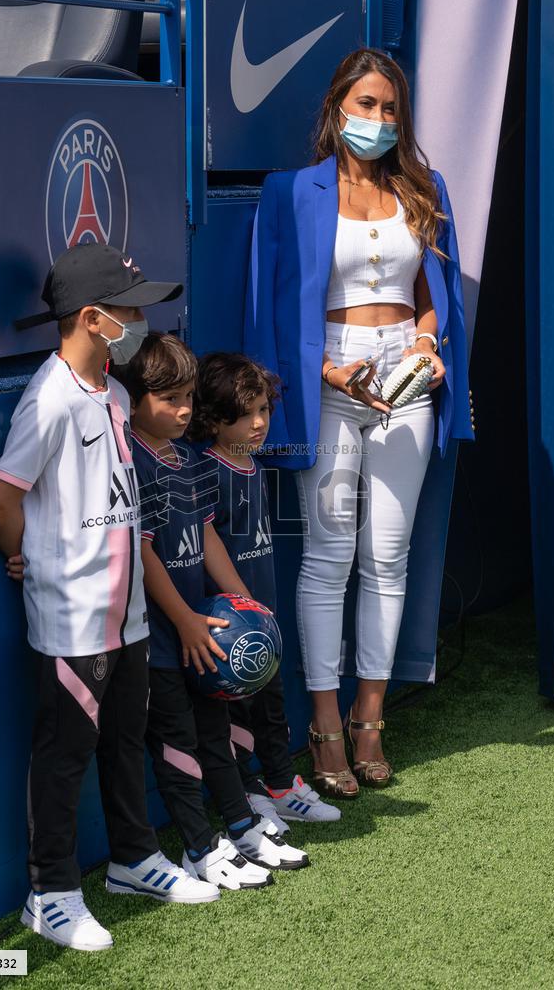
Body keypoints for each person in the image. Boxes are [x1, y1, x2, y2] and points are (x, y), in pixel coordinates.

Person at [244, 48, 475, 798]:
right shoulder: (290, 193)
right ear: (337, 106)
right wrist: (322, 372)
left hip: (406, 376)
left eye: (389, 108)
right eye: (365, 104)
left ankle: (370, 717)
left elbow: (431, 289)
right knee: (327, 553)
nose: (376, 120)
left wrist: (425, 342)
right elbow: (270, 305)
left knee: (387, 555)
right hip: (330, 379)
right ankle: (324, 725)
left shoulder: (423, 187)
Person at [0, 244, 220, 953]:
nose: (140, 320)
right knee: (65, 756)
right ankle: (50, 893)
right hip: (74, 622)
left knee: (123, 743)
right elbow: (1, 502)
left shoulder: (115, 395)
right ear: (92, 319)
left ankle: (132, 860)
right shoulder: (50, 398)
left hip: (129, 618)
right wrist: (24, 556)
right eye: (129, 310)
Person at [115, 332, 309, 889]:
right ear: (132, 400)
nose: (182, 410)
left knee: (213, 730)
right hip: (162, 635)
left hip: (203, 628)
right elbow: (144, 552)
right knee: (176, 743)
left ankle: (241, 827)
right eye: (169, 399)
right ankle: (201, 849)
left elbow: (206, 537)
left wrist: (245, 603)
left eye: (188, 398)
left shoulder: (188, 461)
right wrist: (184, 621)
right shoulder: (135, 461)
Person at [189, 351, 341, 832]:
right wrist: (244, 604)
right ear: (214, 418)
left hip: (261, 621)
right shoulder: (209, 470)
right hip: (228, 626)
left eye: (264, 411)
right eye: (246, 412)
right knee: (231, 717)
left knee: (271, 708)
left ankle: (280, 784)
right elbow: (206, 543)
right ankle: (246, 795)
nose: (258, 423)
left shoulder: (253, 466)